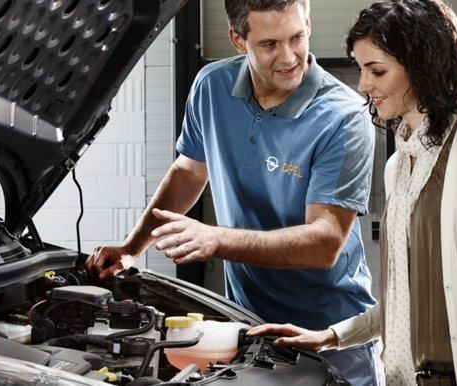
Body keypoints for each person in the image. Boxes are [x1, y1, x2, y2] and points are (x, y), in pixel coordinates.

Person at [248, 0, 457, 385]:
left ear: (421, 66)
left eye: (377, 70)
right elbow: (401, 299)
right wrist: (329, 337)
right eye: (362, 70)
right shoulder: (398, 164)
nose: (364, 85)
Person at [85, 0, 380, 383]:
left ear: (308, 23)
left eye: (297, 37)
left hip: (333, 336)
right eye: (270, 44)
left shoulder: (345, 117)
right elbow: (189, 173)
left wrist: (216, 240)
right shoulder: (212, 87)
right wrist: (131, 247)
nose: (289, 57)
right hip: (247, 326)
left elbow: (325, 243)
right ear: (238, 40)